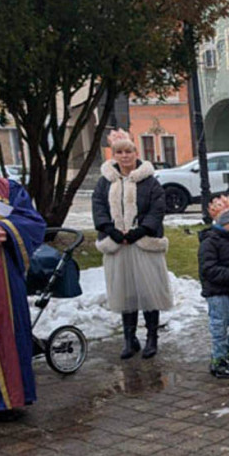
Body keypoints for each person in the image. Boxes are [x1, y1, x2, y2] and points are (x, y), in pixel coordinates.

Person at [92, 129, 174, 360]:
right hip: (117, 245)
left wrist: (142, 230)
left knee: (149, 292)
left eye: (128, 151)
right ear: (114, 155)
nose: (124, 156)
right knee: (125, 293)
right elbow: (98, 206)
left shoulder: (149, 182)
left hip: (144, 243)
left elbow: (158, 208)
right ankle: (129, 339)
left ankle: (151, 338)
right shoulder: (104, 182)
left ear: (136, 153)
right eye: (119, 152)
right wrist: (109, 229)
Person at [0, 169, 46, 416]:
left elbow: (32, 222)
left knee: (3, 335)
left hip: (1, 284)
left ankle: (6, 400)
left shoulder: (6, 189)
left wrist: (4, 229)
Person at [198, 195, 229, 379]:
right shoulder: (210, 242)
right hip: (218, 294)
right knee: (219, 328)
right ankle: (219, 362)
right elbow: (208, 270)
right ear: (226, 222)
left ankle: (221, 354)